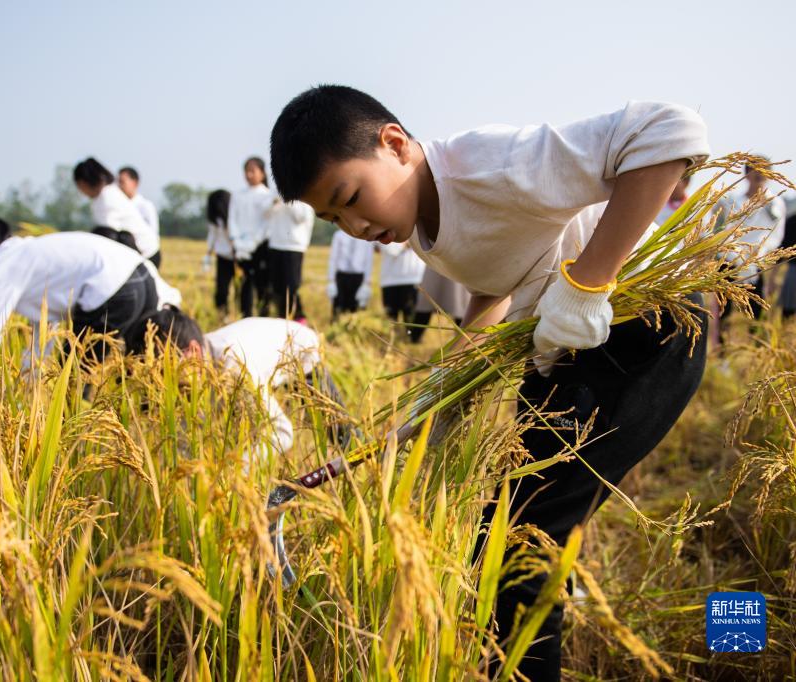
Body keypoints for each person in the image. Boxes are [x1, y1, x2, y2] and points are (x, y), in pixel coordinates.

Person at [270, 85, 710, 679]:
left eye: (350, 197)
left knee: (517, 547)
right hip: (565, 351)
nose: (353, 224)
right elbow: (493, 282)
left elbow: (667, 132)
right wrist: (444, 386)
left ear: (395, 144)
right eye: (332, 218)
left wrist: (588, 282)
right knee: (508, 531)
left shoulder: (490, 166)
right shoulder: (421, 220)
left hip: (643, 332)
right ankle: (556, 602)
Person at [0, 216, 178, 366]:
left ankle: (76, 440)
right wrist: (29, 383)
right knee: (139, 364)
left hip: (113, 288)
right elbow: (44, 328)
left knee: (74, 377)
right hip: (139, 275)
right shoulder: (19, 252)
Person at [123, 308, 348, 455]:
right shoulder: (195, 365)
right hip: (256, 351)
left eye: (162, 370)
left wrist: (235, 474)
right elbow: (184, 436)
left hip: (299, 351)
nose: (159, 382)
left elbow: (280, 432)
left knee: (341, 433)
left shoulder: (233, 363)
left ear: (193, 350)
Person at [713, 158, 787, 330]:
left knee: (755, 308)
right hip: (730, 259)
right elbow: (722, 231)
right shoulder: (732, 201)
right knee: (725, 308)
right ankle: (723, 352)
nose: (760, 174)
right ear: (747, 175)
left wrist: (762, 252)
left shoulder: (775, 203)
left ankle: (752, 348)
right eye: (756, 170)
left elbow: (776, 235)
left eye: (764, 170)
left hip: (757, 261)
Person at [74, 158, 159, 266]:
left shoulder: (106, 198)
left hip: (145, 255)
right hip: (144, 250)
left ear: (83, 183)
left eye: (79, 186)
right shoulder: (107, 193)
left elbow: (108, 236)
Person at [228, 157, 274, 317]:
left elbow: (267, 223)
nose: (248, 175)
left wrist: (254, 242)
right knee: (244, 284)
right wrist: (236, 241)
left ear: (262, 173)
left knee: (262, 285)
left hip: (260, 246)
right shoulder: (237, 195)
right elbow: (232, 219)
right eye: (246, 171)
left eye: (252, 171)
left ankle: (263, 316)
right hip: (240, 247)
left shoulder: (267, 195)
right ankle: (244, 315)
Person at [266, 197, 315, 321]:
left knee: (292, 286)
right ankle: (283, 317)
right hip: (275, 244)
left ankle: (299, 318)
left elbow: (300, 217)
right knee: (277, 286)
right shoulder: (275, 192)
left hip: (294, 246)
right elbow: (266, 215)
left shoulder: (303, 196)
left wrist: (287, 199)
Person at [378, 241, 426, 340]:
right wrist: (410, 243)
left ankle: (410, 341)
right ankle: (392, 341)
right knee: (391, 316)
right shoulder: (384, 230)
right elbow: (391, 250)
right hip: (390, 281)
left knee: (411, 318)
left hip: (414, 279)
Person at [117, 166, 162, 268]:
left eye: (122, 182)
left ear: (135, 183)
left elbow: (153, 233)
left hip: (145, 255)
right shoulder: (119, 206)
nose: (119, 186)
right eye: (118, 182)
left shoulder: (145, 206)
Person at [411, 268, 471, 343]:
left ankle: (464, 341)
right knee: (426, 303)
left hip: (458, 269)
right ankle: (414, 338)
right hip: (436, 264)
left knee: (460, 305)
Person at [327, 228, 374, 316]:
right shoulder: (339, 235)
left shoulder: (367, 238)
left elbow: (369, 260)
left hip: (358, 277)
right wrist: (331, 280)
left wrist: (366, 283)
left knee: (357, 310)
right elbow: (333, 258)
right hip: (341, 276)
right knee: (338, 310)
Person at [205, 189, 234, 316]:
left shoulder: (234, 217)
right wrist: (208, 253)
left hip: (238, 256)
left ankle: (239, 314)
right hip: (223, 256)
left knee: (240, 288)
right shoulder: (215, 220)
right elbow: (212, 236)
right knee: (222, 289)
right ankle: (223, 314)